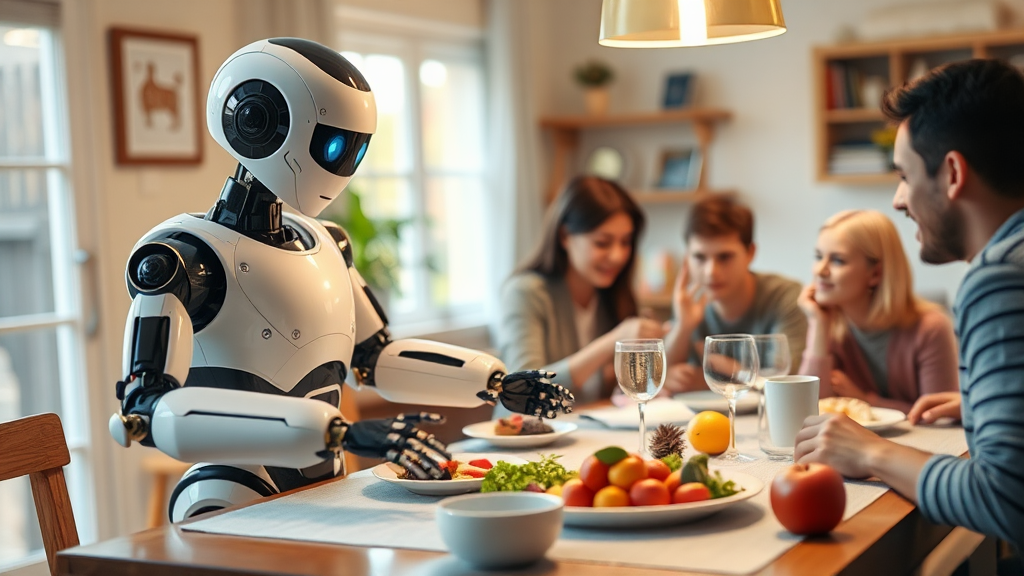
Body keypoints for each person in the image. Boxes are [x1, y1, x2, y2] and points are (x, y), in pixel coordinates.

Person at [795, 59, 1024, 553]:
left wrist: (874, 452)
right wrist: (989, 409)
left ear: (953, 173)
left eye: (904, 174)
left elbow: (1005, 499)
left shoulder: (999, 279)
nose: (898, 200)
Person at [497, 176, 664, 405]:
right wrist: (615, 340)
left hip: (587, 431)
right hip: (524, 434)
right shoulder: (525, 293)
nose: (618, 256)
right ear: (565, 236)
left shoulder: (611, 294)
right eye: (602, 243)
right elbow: (523, 391)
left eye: (625, 242)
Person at [797, 210, 959, 413]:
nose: (820, 270)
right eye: (818, 256)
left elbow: (938, 415)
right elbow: (807, 406)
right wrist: (818, 327)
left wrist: (866, 401)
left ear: (875, 273)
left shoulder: (930, 329)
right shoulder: (828, 323)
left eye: (838, 260)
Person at [662, 196, 807, 392]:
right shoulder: (689, 302)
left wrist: (733, 375)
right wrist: (683, 327)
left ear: (750, 253)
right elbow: (661, 378)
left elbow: (788, 381)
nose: (710, 272)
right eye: (699, 257)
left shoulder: (784, 296)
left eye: (724, 257)